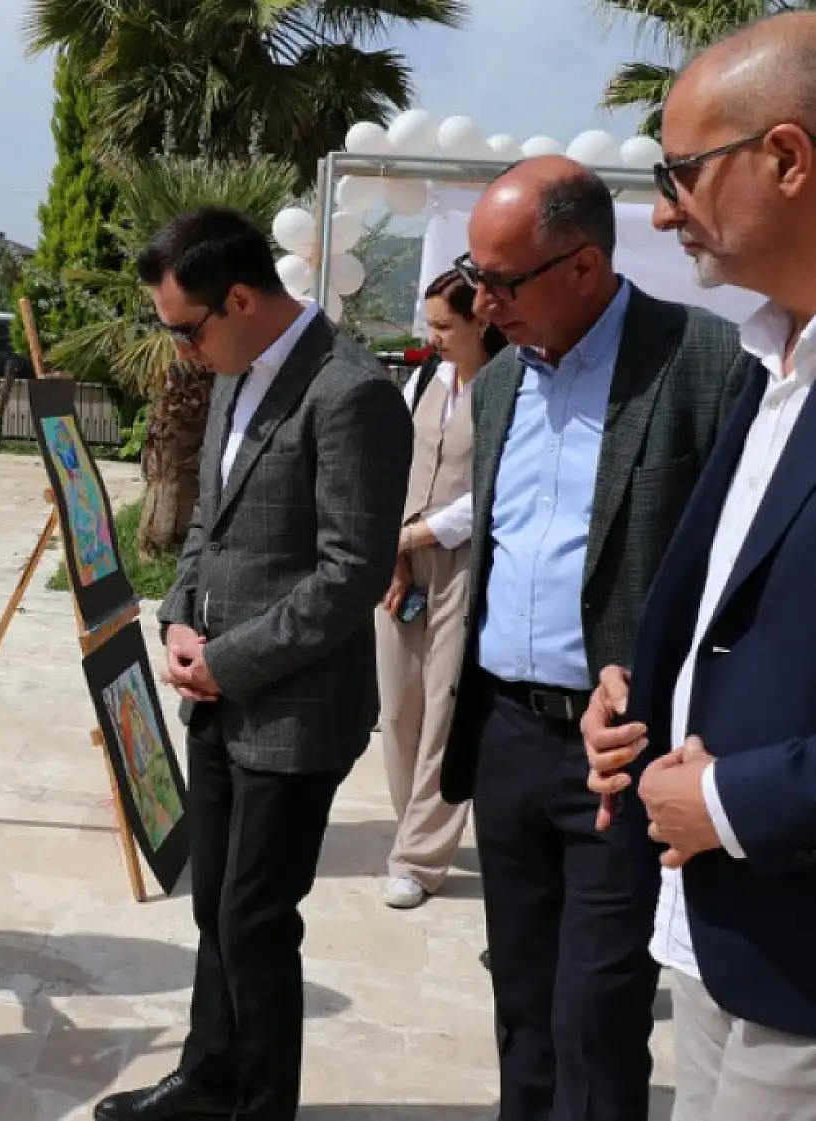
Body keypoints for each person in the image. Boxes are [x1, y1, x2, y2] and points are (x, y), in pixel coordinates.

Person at [436, 156, 757, 1121]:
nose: (481, 303)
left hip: (620, 752)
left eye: (501, 282)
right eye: (473, 277)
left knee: (596, 1009)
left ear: (581, 266)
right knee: (522, 1002)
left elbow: (731, 570)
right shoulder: (498, 387)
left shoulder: (703, 363)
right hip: (503, 733)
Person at [94, 207, 413, 1121]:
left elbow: (352, 574)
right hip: (218, 694)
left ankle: (260, 1105)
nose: (181, 350)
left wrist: (228, 659)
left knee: (257, 921)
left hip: (295, 709)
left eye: (185, 328)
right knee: (215, 911)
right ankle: (208, 1075)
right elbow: (208, 522)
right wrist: (178, 621)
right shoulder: (236, 375)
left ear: (239, 297)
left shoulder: (349, 391)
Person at [582, 14, 816, 1118]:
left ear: (784, 157)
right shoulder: (765, 360)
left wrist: (726, 799)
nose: (662, 209)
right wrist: (640, 686)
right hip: (716, 934)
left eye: (680, 170)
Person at [375, 268, 507, 910]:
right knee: (398, 708)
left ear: (482, 322)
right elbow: (392, 463)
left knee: (443, 710)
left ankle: (420, 858)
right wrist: (394, 557)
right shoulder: (423, 380)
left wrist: (407, 540)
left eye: (445, 326)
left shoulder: (508, 390)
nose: (433, 336)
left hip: (464, 565)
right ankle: (411, 829)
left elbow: (481, 501)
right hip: (402, 559)